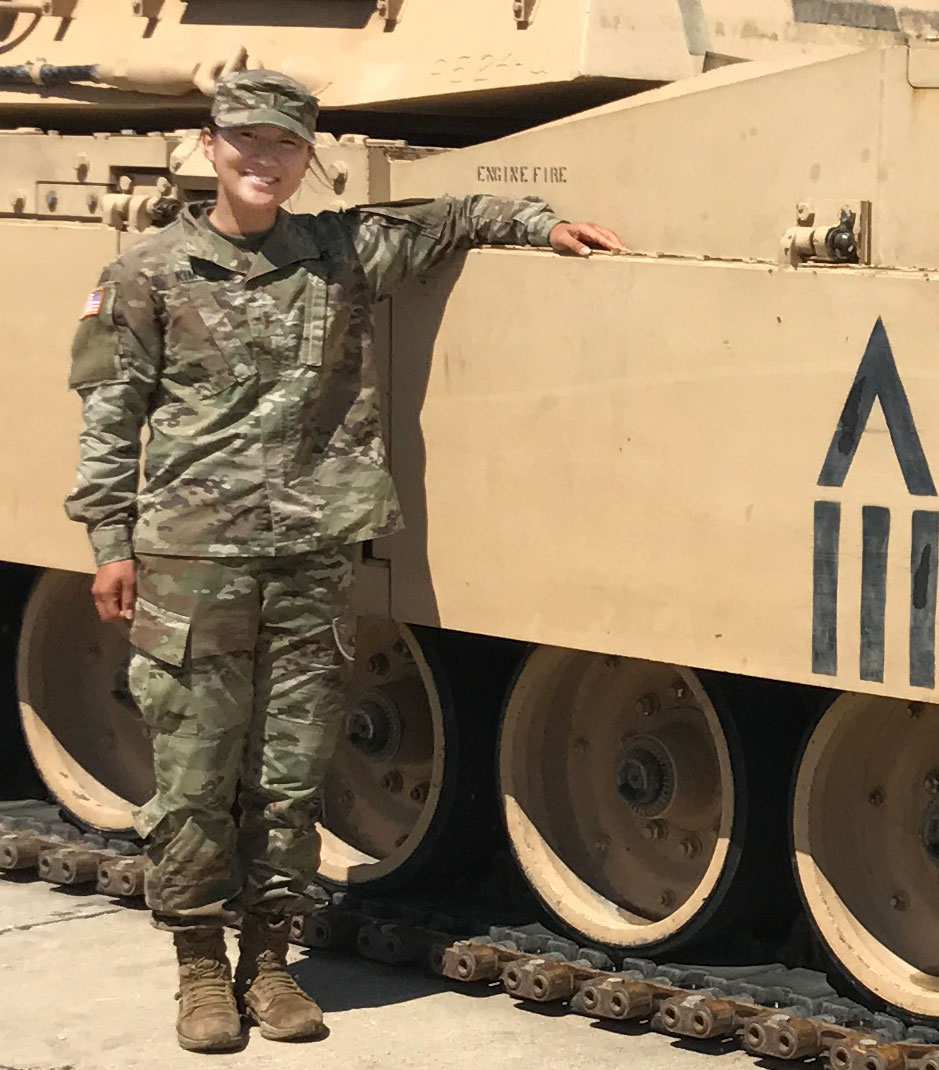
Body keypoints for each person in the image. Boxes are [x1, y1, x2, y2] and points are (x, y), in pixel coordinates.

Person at [64, 69, 626, 1053]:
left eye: (283, 144)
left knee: (290, 778)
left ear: (307, 154)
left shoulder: (341, 249)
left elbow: (451, 216)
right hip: (192, 563)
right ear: (209, 144)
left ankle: (271, 963)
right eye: (243, 140)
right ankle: (200, 967)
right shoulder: (144, 271)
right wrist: (110, 544)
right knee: (194, 774)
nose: (261, 160)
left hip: (310, 558)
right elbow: (109, 417)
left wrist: (542, 225)